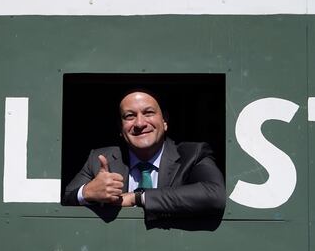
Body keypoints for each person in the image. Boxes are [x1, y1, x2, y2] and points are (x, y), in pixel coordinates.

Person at [63, 89, 226, 228]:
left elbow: (214, 195)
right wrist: (87, 192)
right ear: (121, 128)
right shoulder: (100, 159)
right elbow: (66, 198)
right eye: (129, 116)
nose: (140, 123)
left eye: (148, 113)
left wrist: (138, 197)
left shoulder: (192, 154)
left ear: (165, 121)